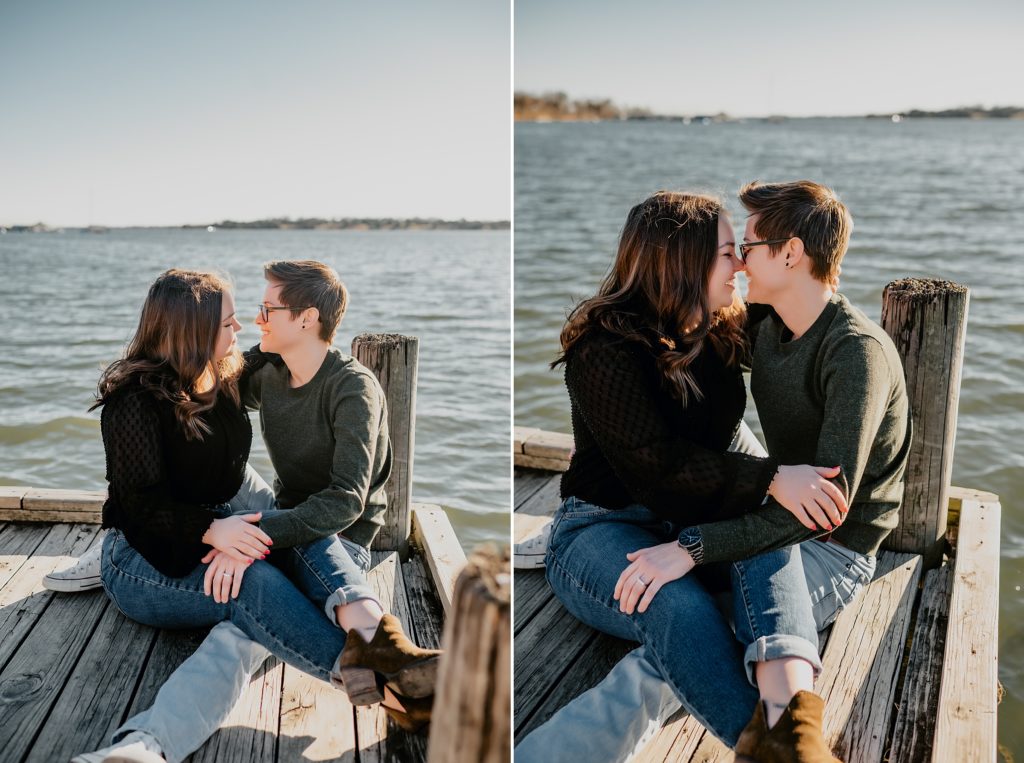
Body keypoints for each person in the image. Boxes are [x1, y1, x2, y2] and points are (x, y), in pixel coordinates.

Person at [516, 182, 911, 763]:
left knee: (701, 629)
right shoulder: (607, 349)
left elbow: (806, 348)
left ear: (789, 251)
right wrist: (768, 479)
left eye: (744, 246)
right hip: (606, 527)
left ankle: (787, 738)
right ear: (683, 261)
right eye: (730, 250)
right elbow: (653, 464)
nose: (740, 262)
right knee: (682, 609)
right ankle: (778, 751)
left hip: (729, 525)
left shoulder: (729, 326)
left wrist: (698, 542)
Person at [69, 266, 439, 763]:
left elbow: (333, 495)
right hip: (143, 557)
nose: (245, 328)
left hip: (231, 524)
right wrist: (213, 533)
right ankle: (396, 686)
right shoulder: (135, 403)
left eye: (259, 313)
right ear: (192, 329)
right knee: (256, 585)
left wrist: (240, 535)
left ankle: (385, 648)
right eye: (230, 321)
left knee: (288, 544)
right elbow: (136, 506)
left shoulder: (227, 375)